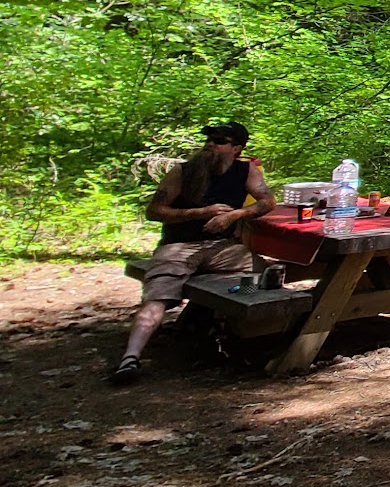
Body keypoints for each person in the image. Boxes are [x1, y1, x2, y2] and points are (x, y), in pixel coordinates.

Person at [110, 122, 275, 385]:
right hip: (179, 246)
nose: (210, 145)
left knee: (264, 278)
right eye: (208, 139)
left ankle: (229, 333)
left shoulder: (246, 170)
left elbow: (267, 201)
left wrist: (234, 215)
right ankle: (130, 358)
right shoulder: (183, 171)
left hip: (223, 248)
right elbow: (154, 211)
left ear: (236, 149)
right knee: (158, 294)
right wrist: (199, 213)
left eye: (219, 141)